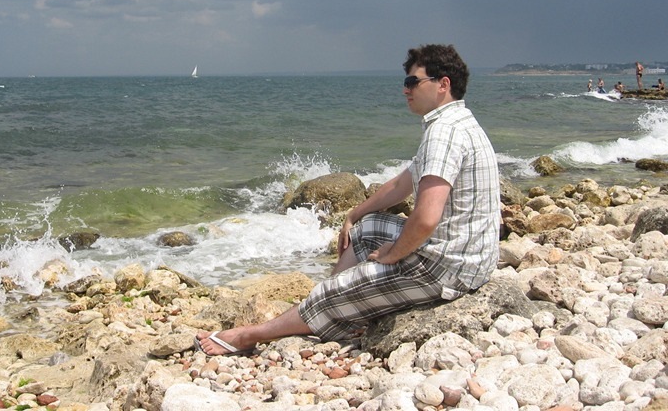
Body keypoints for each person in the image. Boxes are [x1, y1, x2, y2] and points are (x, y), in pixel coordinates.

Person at [196, 44, 501, 356]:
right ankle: (338, 307)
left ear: (443, 84)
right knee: (366, 228)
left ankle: (250, 334)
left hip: (445, 268)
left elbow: (425, 219)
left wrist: (393, 253)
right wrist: (354, 214)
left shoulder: (444, 133)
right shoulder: (457, 123)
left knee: (329, 293)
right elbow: (401, 184)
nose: (405, 90)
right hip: (465, 256)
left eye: (413, 82)